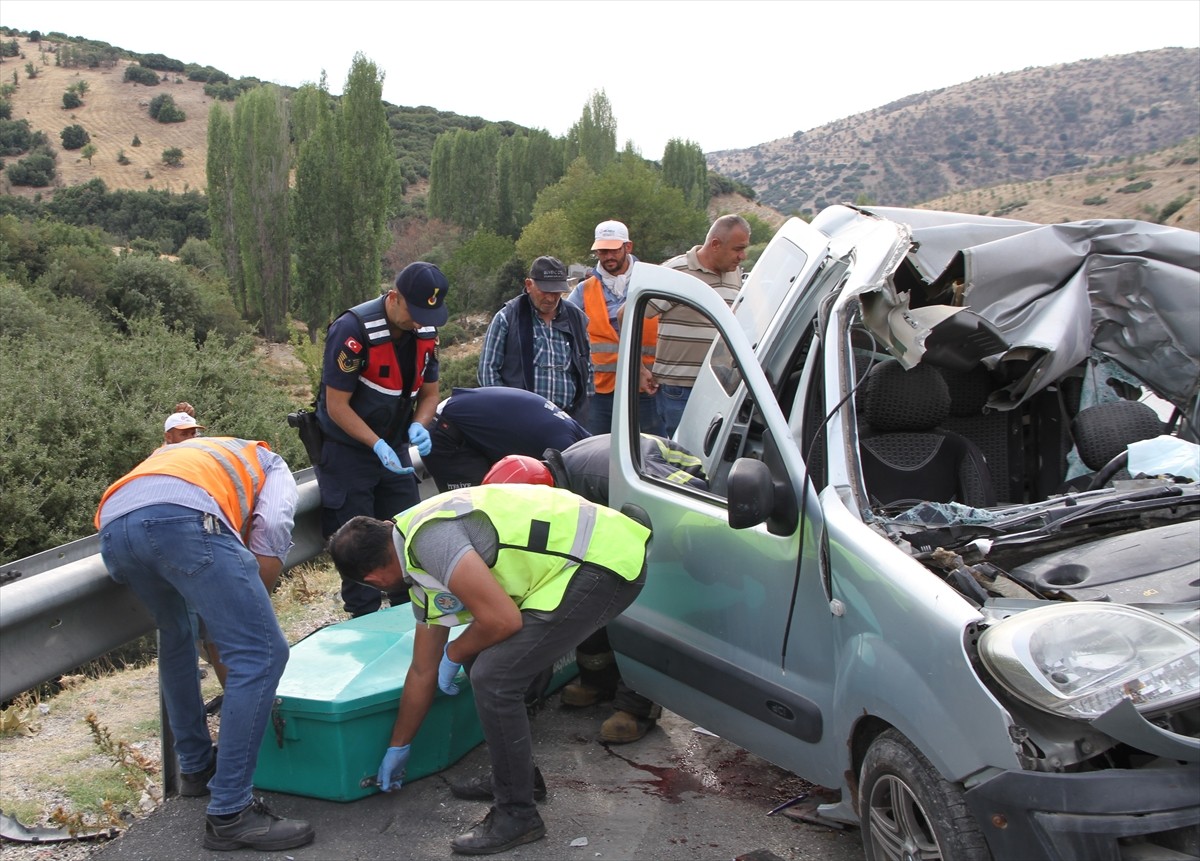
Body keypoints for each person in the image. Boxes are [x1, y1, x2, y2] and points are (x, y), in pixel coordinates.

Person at [326, 484, 650, 855]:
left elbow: (502, 620)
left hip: (602, 562)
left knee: (493, 678)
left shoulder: (430, 541)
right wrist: (399, 746)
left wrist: (455, 650)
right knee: (481, 657)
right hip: (578, 561)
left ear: (372, 581)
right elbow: (421, 670)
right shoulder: (414, 557)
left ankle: (517, 814)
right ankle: (519, 779)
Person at [94, 437, 313, 852]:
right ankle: (231, 811)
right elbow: (272, 533)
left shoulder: (190, 455)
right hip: (181, 522)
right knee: (262, 654)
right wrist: (246, 613)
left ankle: (194, 767)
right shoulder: (270, 463)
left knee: (175, 635)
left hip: (114, 527)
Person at [486, 436, 707, 744]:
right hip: (617, 515)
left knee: (640, 601)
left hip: (661, 508)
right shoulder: (557, 485)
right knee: (584, 590)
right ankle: (598, 681)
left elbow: (689, 495)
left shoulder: (604, 476)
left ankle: (637, 706)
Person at [315, 262, 449, 617]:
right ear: (393, 298)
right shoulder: (352, 331)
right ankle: (366, 623)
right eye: (415, 312)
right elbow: (336, 406)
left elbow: (430, 394)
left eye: (428, 314)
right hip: (348, 453)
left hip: (395, 451)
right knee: (359, 550)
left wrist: (420, 425)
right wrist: (375, 443)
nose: (420, 321)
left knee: (406, 537)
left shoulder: (426, 331)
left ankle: (411, 620)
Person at [638, 214, 751, 436]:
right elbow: (628, 314)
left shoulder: (734, 274)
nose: (742, 256)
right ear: (716, 245)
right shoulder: (676, 272)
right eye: (738, 249)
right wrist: (639, 369)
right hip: (680, 390)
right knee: (684, 458)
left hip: (720, 387)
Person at [566, 220, 662, 436]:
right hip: (602, 390)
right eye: (602, 251)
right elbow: (564, 324)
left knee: (652, 448)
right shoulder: (584, 290)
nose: (608, 256)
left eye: (613, 250)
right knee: (597, 448)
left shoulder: (652, 281)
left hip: (646, 387)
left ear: (628, 247)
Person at [477, 256, 592, 422]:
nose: (551, 298)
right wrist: (506, 410)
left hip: (567, 419)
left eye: (556, 292)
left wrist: (583, 411)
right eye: (545, 291)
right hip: (519, 418)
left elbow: (587, 367)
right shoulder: (507, 317)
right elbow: (487, 371)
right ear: (529, 285)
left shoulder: (576, 318)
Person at [421, 386, 590, 493]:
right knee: (477, 506)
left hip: (474, 423)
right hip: (446, 430)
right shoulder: (565, 450)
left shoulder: (575, 435)